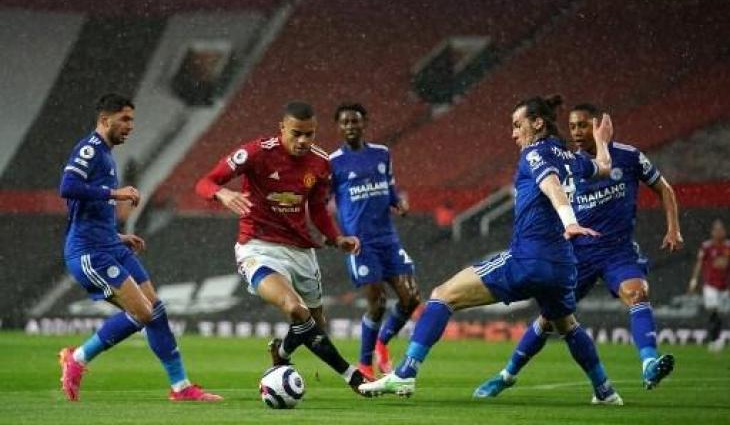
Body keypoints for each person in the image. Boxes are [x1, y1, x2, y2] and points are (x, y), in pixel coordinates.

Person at [360, 95, 624, 405]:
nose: (513, 134)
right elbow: (605, 167)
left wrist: (569, 220)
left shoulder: (534, 153)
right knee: (567, 324)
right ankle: (605, 391)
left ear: (537, 123)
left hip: (528, 258)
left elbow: (550, 184)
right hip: (563, 265)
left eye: (517, 125)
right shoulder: (571, 158)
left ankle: (405, 373)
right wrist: (601, 141)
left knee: (442, 295)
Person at [476, 102, 682, 398]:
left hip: (617, 251)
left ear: (599, 125)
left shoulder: (630, 156)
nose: (576, 132)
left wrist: (673, 228)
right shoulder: (569, 162)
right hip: (577, 253)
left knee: (637, 292)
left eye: (583, 125)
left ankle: (649, 362)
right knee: (549, 319)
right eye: (572, 126)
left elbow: (665, 188)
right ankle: (507, 374)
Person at [194, 101, 371, 395]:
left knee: (316, 324)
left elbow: (317, 208)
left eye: (309, 134)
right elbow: (205, 182)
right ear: (282, 129)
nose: (303, 141)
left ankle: (282, 354)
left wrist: (336, 238)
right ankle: (353, 376)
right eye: (296, 134)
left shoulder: (320, 162)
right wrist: (221, 192)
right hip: (258, 247)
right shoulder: (255, 152)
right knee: (294, 308)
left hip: (301, 251)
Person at [58, 93, 221, 402]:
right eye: (125, 119)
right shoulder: (90, 149)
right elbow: (67, 188)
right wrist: (115, 192)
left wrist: (118, 236)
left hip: (108, 244)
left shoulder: (106, 154)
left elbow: (86, 208)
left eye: (132, 119)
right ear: (105, 120)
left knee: (155, 310)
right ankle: (76, 358)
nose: (131, 126)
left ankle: (181, 387)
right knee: (144, 313)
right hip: (89, 253)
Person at [330, 102, 421, 379]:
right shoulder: (333, 162)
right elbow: (321, 201)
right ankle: (365, 364)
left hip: (388, 239)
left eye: (354, 121)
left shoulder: (382, 154)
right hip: (361, 244)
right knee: (378, 302)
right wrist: (336, 236)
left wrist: (400, 202)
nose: (350, 127)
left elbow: (391, 188)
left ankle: (382, 342)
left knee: (411, 298)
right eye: (344, 122)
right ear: (338, 127)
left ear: (364, 122)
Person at [688, 219, 729, 351]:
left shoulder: (728, 247)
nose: (718, 232)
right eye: (715, 230)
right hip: (710, 285)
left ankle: (716, 338)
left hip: (725, 286)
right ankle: (713, 339)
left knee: (721, 313)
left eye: (720, 229)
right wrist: (694, 280)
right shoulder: (707, 246)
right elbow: (699, 263)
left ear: (724, 232)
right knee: (713, 310)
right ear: (712, 232)